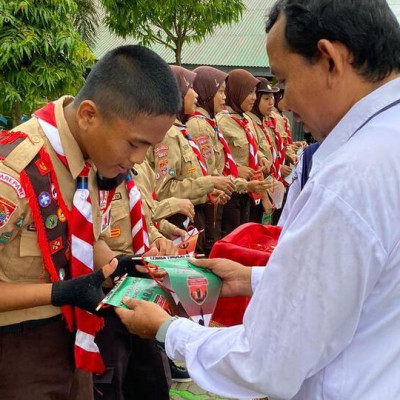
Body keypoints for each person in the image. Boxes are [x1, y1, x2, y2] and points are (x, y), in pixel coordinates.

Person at [114, 1, 400, 399]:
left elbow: (266, 360)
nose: (284, 102)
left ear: (331, 60)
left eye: (283, 81)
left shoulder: (352, 177)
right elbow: (361, 284)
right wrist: (253, 279)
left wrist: (166, 329)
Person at [0, 45, 180, 399]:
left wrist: (118, 264)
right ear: (87, 115)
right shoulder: (15, 171)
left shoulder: (93, 158)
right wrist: (59, 292)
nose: (138, 159)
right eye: (134, 143)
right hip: (18, 353)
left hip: (77, 345)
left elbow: (81, 234)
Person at [148, 66, 234, 255]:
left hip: (194, 218)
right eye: (190, 89)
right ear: (177, 94)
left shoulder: (181, 132)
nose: (196, 95)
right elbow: (164, 190)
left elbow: (190, 178)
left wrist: (209, 192)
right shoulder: (168, 135)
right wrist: (210, 183)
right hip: (177, 222)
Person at [186, 66, 269, 249]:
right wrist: (238, 181)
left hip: (227, 193)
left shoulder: (213, 123)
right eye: (220, 91)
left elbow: (219, 168)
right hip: (210, 203)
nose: (224, 97)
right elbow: (209, 172)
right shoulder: (200, 126)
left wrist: (247, 184)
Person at [216, 69, 269, 235]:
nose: (254, 97)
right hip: (231, 193)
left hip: (249, 191)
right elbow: (214, 159)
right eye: (249, 92)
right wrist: (236, 170)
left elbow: (251, 146)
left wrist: (261, 158)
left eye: (254, 92)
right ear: (237, 91)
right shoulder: (221, 122)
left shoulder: (246, 120)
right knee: (230, 238)